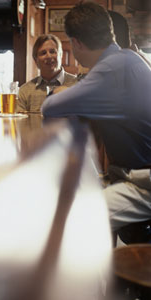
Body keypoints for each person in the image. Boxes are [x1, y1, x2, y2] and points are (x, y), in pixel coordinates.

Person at [41, 2, 151, 233]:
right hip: (134, 175)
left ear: (77, 43)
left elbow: (50, 107)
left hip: (144, 184)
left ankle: (109, 269)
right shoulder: (128, 59)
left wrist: (60, 92)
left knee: (69, 221)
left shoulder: (111, 68)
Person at [16, 34, 77, 112]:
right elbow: (19, 122)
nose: (48, 56)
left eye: (52, 51)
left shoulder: (78, 85)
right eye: (43, 53)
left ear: (61, 55)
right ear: (36, 60)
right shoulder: (25, 91)